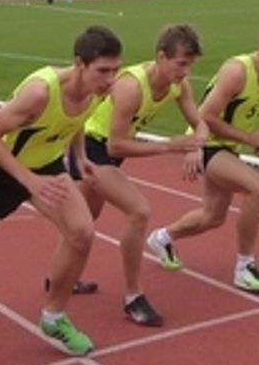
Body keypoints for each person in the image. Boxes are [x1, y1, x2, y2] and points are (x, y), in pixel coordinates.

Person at [0, 26, 122, 356]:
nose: (110, 79)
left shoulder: (97, 91)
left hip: (46, 165)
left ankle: (53, 316)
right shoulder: (40, 92)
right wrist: (28, 180)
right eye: (103, 70)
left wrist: (80, 156)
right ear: (79, 64)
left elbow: (75, 122)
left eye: (115, 70)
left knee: (82, 232)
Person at [146, 13, 259, 293]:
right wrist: (250, 137)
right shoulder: (237, 71)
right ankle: (244, 266)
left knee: (213, 216)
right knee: (257, 189)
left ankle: (162, 237)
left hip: (228, 147)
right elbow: (206, 116)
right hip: (206, 142)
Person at [71, 24, 208, 326]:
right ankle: (134, 297)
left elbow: (200, 122)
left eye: (190, 64)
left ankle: (63, 278)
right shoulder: (131, 87)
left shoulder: (178, 85)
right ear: (161, 56)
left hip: (110, 152)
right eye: (181, 63)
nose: (185, 71)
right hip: (93, 148)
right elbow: (116, 144)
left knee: (81, 222)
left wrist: (196, 147)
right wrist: (170, 146)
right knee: (139, 211)